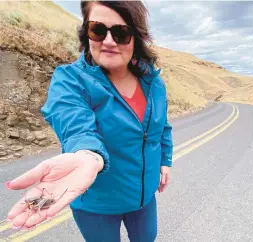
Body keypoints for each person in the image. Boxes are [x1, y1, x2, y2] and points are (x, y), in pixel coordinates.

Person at [5, 1, 173, 241]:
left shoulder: (154, 82)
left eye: (121, 32)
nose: (108, 41)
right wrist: (89, 156)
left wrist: (165, 160)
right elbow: (75, 126)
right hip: (96, 205)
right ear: (87, 33)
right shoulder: (70, 80)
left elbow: (162, 127)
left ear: (136, 37)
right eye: (98, 30)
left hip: (143, 198)